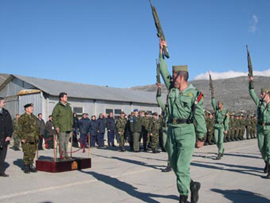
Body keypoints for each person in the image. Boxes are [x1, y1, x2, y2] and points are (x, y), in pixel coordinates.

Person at [159, 39, 206, 203]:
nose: (171, 78)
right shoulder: (172, 89)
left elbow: (199, 116)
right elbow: (163, 70)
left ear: (181, 77)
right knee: (174, 164)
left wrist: (201, 137)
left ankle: (183, 198)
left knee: (183, 166)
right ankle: (192, 185)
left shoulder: (194, 94)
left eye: (174, 76)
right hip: (171, 130)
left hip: (186, 132)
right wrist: (161, 52)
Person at [249, 76, 270, 178]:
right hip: (260, 128)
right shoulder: (259, 103)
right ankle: (266, 161)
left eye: (262, 94)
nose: (261, 95)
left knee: (269, 148)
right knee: (261, 148)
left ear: (267, 95)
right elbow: (252, 93)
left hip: (269, 129)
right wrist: (251, 82)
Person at [18, 103, 39, 173]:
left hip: (33, 138)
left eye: (32, 107)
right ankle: (26, 166)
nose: (32, 109)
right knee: (26, 152)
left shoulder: (34, 117)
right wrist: (21, 138)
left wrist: (37, 136)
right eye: (30, 108)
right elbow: (19, 129)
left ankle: (31, 165)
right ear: (26, 109)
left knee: (32, 152)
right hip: (26, 138)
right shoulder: (22, 117)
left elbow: (37, 128)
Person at [52, 92, 73, 160]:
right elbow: (54, 117)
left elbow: (71, 116)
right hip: (61, 127)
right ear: (61, 98)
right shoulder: (58, 107)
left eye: (66, 97)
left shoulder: (68, 106)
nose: (66, 98)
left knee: (66, 143)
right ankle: (62, 155)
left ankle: (66, 155)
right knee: (61, 142)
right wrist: (56, 126)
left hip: (68, 127)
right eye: (65, 97)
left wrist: (71, 124)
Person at [156, 84, 171, 172]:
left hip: (171, 129)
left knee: (170, 147)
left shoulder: (175, 107)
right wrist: (159, 90)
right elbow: (158, 100)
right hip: (165, 129)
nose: (167, 100)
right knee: (165, 146)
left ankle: (169, 164)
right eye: (167, 99)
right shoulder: (165, 108)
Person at [0, 97, 13, 177]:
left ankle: (1, 171)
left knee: (2, 156)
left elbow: (9, 125)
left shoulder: (6, 112)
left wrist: (9, 135)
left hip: (4, 138)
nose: (4, 104)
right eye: (3, 102)